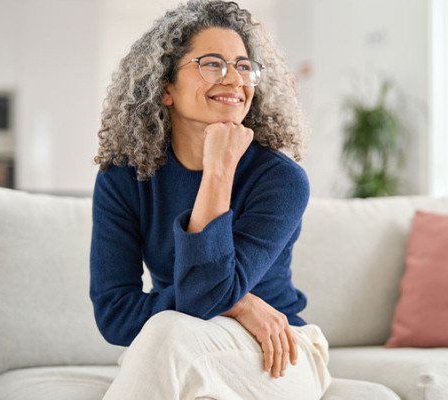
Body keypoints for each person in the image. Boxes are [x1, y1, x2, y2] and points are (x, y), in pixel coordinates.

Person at [89, 1, 331, 398]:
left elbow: (204, 296)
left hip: (277, 349)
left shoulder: (280, 180)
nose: (234, 79)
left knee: (166, 333)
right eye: (212, 64)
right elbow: (114, 314)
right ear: (165, 87)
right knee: (169, 337)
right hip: (178, 339)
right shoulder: (124, 175)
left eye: (243, 66)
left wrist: (218, 169)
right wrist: (238, 304)